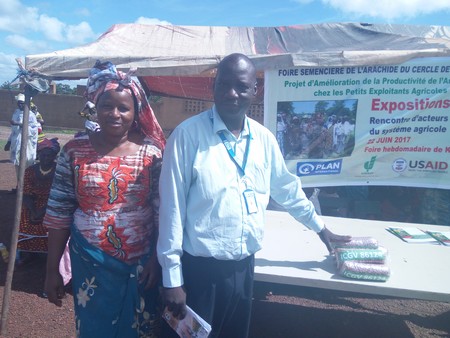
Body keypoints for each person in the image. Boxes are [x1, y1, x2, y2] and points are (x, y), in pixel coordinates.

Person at [157, 53, 351, 338]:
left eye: (241, 86)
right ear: (213, 87)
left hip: (244, 269)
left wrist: (320, 228)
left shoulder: (263, 139)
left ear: (255, 91)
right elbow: (171, 208)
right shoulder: (187, 137)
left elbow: (287, 189)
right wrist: (172, 278)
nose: (232, 93)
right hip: (199, 273)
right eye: (224, 84)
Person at [43, 61, 166, 337]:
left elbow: (162, 212)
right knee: (94, 329)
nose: (115, 114)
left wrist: (156, 260)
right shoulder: (74, 151)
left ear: (135, 113)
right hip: (90, 262)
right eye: (107, 106)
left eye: (124, 108)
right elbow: (59, 213)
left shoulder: (151, 154)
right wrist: (52, 271)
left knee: (140, 330)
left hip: (141, 265)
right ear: (95, 108)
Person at [17, 138, 60, 264]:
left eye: (49, 155)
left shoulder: (59, 172)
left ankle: (51, 254)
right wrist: (33, 211)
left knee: (53, 221)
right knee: (24, 216)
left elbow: (59, 195)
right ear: (38, 155)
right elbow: (25, 193)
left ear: (54, 156)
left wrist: (43, 210)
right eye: (43, 155)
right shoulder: (30, 171)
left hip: (52, 204)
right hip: (33, 204)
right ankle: (28, 251)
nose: (46, 158)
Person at [8, 93, 39, 187]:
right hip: (16, 143)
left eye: (22, 103)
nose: (20, 105)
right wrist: (9, 141)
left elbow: (34, 130)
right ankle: (19, 185)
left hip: (27, 144)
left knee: (27, 164)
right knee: (17, 164)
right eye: (19, 103)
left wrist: (19, 124)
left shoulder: (31, 115)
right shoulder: (16, 112)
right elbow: (13, 130)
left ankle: (27, 187)